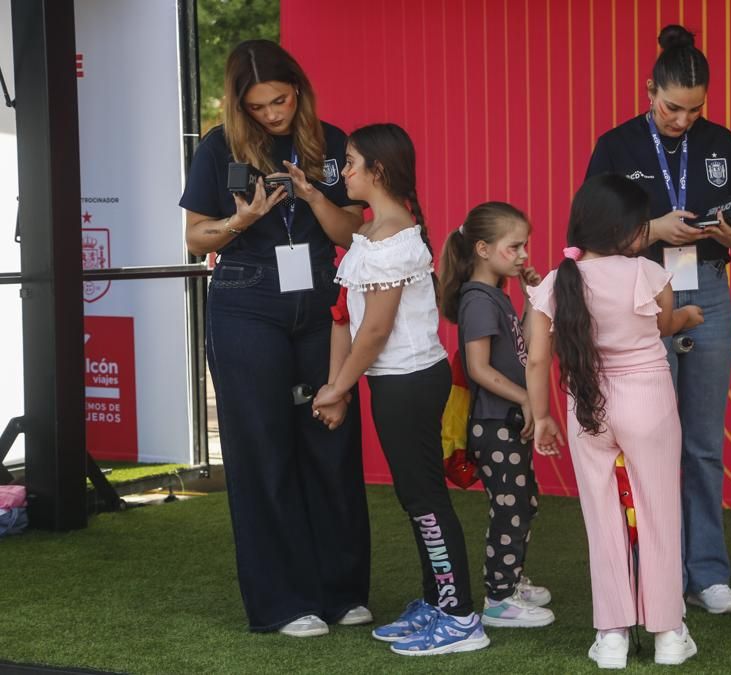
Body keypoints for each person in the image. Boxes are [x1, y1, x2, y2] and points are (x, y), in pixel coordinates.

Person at [179, 39, 370, 637]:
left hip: (319, 295)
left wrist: (312, 196)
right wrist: (241, 220)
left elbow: (351, 230)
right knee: (262, 447)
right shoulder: (219, 147)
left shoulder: (331, 142)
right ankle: (284, 602)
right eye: (258, 107)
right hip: (246, 297)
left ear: (299, 91)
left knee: (331, 436)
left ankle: (342, 591)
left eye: (280, 101)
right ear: (241, 105)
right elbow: (195, 237)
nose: (272, 114)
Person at [585, 23, 731, 614]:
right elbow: (593, 235)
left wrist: (728, 230)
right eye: (671, 108)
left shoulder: (720, 141)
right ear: (649, 91)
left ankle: (708, 573)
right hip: (641, 291)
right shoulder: (616, 145)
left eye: (694, 110)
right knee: (649, 441)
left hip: (708, 287)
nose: (682, 120)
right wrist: (653, 230)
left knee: (704, 443)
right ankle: (655, 572)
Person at [311, 123, 487, 656]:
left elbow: (376, 330)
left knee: (425, 499)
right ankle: (437, 602)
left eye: (350, 162)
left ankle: (459, 617)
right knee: (416, 499)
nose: (343, 172)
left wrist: (338, 389)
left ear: (378, 171)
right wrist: (337, 387)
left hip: (409, 383)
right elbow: (344, 316)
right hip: (393, 382)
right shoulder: (369, 232)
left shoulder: (394, 238)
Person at [527, 174, 704, 668]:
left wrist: (541, 417)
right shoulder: (649, 273)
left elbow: (538, 359)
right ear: (625, 229)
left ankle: (611, 637)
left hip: (587, 404)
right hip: (649, 400)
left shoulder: (556, 281)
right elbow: (662, 325)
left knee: (602, 519)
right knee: (659, 514)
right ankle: (669, 634)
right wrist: (687, 318)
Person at [436, 201, 555, 629]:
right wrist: (524, 398)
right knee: (510, 507)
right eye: (515, 246)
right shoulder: (478, 300)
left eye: (525, 246)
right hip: (493, 425)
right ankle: (500, 598)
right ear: (483, 249)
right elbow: (478, 368)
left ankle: (511, 580)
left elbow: (521, 346)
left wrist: (530, 297)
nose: (524, 255)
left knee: (523, 501)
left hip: (506, 423)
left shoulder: (495, 296)